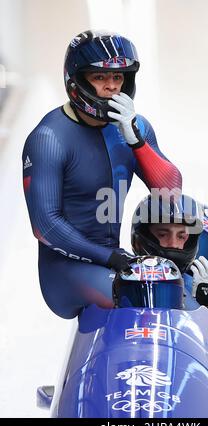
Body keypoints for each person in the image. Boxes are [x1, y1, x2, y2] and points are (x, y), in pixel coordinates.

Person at [22, 30, 182, 319]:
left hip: (111, 260)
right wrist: (111, 258)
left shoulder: (135, 127)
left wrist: (136, 141)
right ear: (77, 82)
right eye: (100, 78)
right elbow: (45, 226)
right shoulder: (48, 138)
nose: (111, 87)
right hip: (65, 272)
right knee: (148, 294)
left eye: (118, 78)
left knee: (188, 268)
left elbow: (170, 193)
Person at [131, 194, 208, 310]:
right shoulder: (123, 277)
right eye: (163, 235)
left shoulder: (194, 285)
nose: (173, 244)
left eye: (181, 236)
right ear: (143, 236)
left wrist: (206, 303)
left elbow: (205, 327)